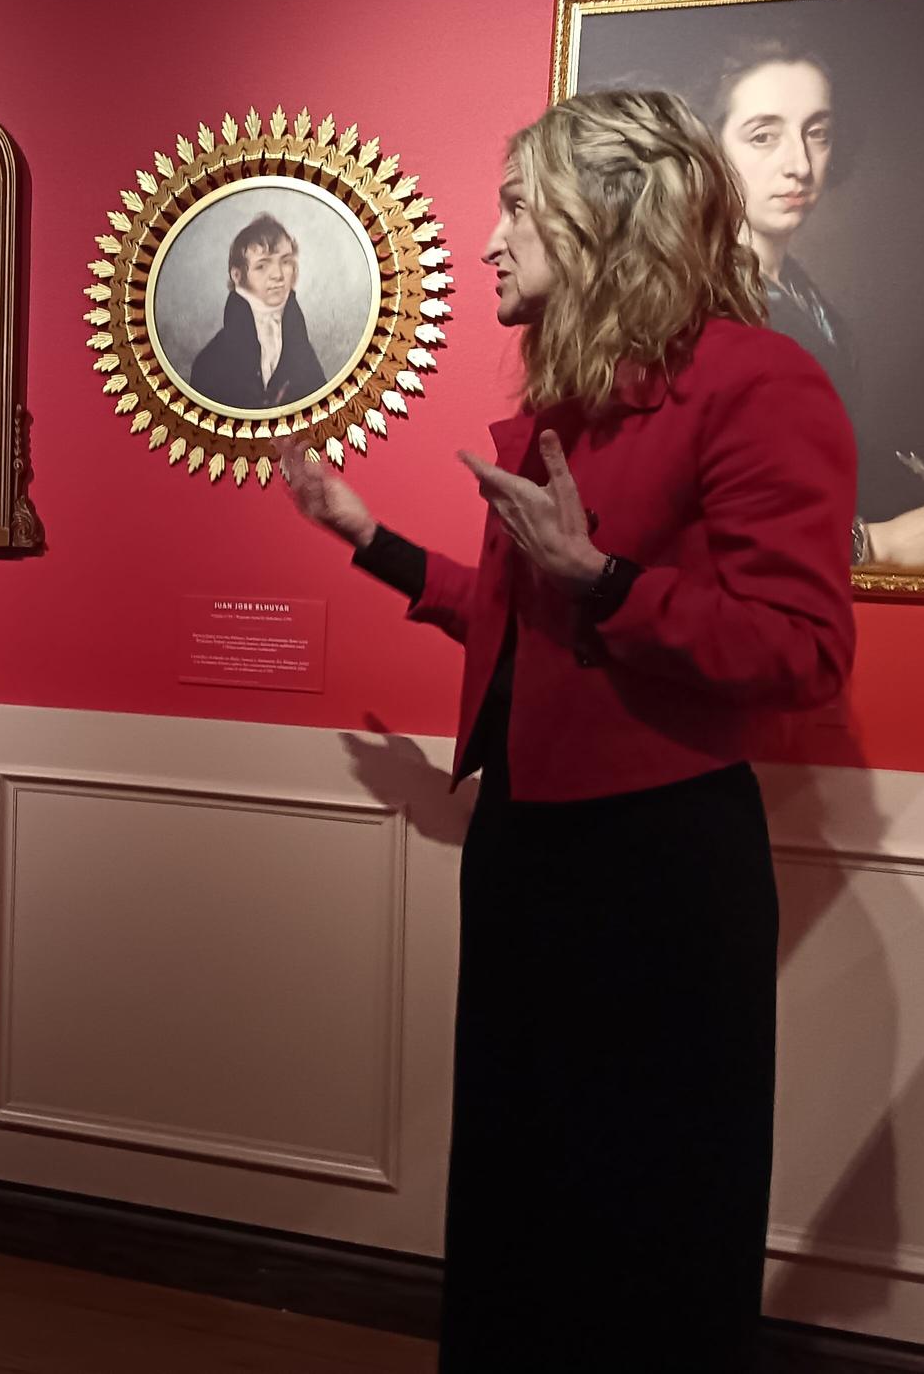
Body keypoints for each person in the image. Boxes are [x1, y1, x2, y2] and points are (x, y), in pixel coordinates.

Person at [279, 90, 856, 1372]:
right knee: (519, 1177)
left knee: (648, 1202)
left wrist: (601, 580)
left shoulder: (758, 383)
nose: (486, 239)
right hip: (531, 843)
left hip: (658, 858)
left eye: (514, 207)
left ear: (605, 216)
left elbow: (802, 653)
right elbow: (517, 615)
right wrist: (366, 542)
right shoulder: (577, 392)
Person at [705, 37, 924, 569]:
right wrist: (872, 543)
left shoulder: (798, 290)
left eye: (816, 133)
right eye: (763, 136)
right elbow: (708, 517)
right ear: (709, 148)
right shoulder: (699, 303)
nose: (799, 163)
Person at [186, 211, 328, 411]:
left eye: (286, 262)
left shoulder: (301, 347)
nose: (278, 275)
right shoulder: (210, 363)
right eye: (262, 266)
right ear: (237, 275)